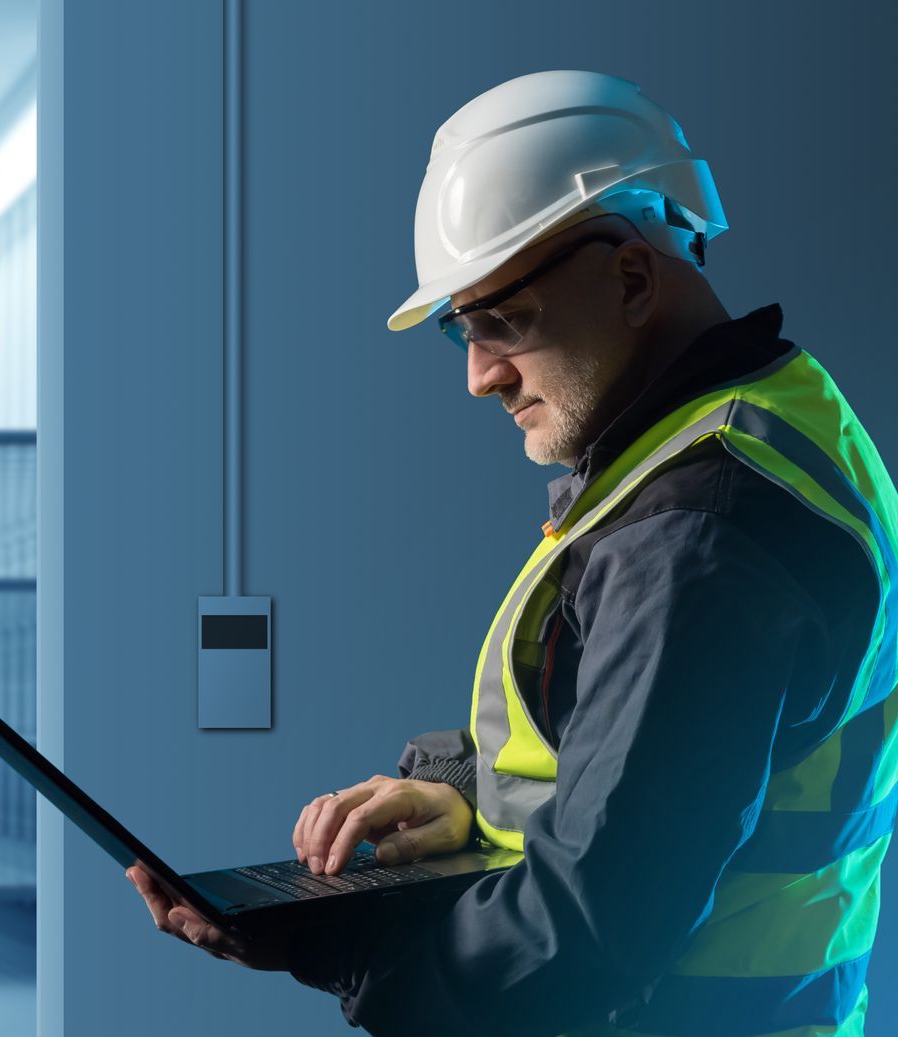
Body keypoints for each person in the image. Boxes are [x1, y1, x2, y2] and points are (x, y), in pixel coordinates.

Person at [126, 70, 897, 1036]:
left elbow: (592, 927)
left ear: (629, 277)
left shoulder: (705, 525)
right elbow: (631, 759)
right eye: (461, 326)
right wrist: (460, 797)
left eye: (499, 321)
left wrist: (341, 949)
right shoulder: (756, 427)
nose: (480, 375)